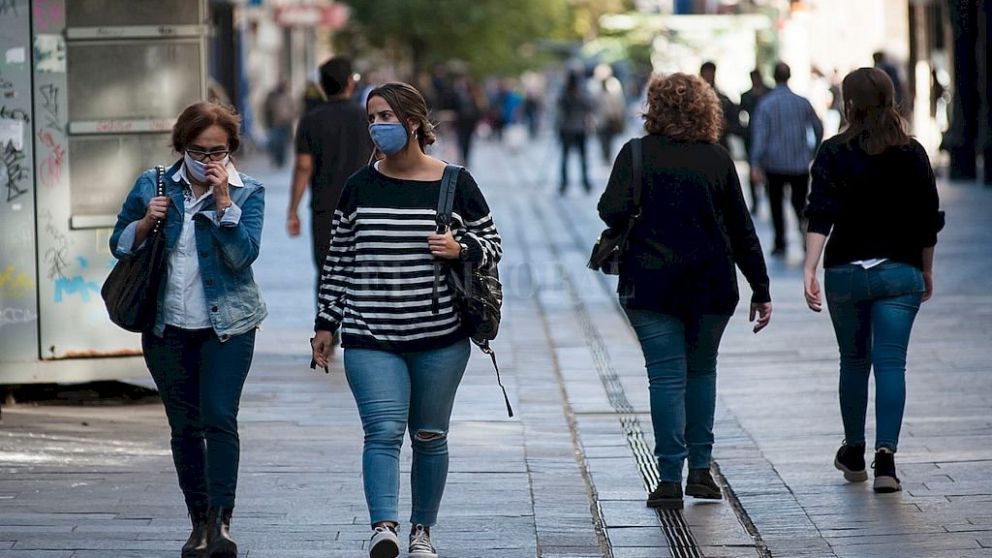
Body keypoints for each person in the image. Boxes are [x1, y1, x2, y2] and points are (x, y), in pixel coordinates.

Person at [310, 82, 502, 558]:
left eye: (385, 117)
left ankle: (422, 531)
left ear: (412, 122)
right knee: (382, 432)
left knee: (430, 436)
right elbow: (339, 259)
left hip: (440, 339)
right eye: (371, 118)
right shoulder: (359, 186)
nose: (376, 126)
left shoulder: (455, 182)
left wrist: (461, 248)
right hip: (371, 334)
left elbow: (493, 246)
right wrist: (325, 323)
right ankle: (384, 527)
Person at [597, 73, 772, 511]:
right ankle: (702, 471)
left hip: (650, 285)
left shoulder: (635, 153)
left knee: (665, 377)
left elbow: (610, 209)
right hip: (711, 285)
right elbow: (742, 228)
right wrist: (761, 287)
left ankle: (669, 479)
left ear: (653, 107)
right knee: (702, 373)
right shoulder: (716, 157)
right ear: (705, 109)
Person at [109, 101, 267, 558]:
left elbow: (242, 257)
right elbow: (119, 245)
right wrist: (144, 222)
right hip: (167, 326)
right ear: (182, 147)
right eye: (198, 150)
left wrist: (222, 205)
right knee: (183, 427)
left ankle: (221, 523)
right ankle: (197, 522)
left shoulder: (247, 192)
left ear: (231, 150)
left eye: (217, 151)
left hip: (230, 326)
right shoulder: (153, 184)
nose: (208, 160)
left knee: (219, 417)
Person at [803, 68, 943, 494]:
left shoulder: (832, 152)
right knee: (890, 364)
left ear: (848, 104)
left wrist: (810, 267)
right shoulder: (912, 153)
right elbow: (927, 219)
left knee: (853, 361)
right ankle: (886, 460)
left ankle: (853, 449)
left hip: (845, 272)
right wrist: (926, 268)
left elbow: (819, 213)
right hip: (900, 272)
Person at [289, 56, 374, 296]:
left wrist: (293, 210)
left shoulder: (310, 119)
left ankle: (328, 329)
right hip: (362, 205)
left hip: (325, 207)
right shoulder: (366, 117)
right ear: (350, 83)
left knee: (327, 270)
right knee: (363, 269)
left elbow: (304, 166)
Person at [750, 62, 824, 256]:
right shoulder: (802, 102)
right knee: (800, 203)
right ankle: (803, 237)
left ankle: (780, 241)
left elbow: (760, 134)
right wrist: (813, 150)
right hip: (799, 162)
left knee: (776, 204)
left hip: (774, 164)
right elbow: (817, 126)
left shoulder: (766, 103)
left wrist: (756, 162)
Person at [739, 68, 769, 214]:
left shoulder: (769, 93)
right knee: (753, 170)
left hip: (767, 137)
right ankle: (756, 202)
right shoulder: (746, 96)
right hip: (752, 136)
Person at [558, 71, 593, 194]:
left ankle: (577, 183)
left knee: (571, 157)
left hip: (573, 129)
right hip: (574, 129)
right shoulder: (568, 93)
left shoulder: (574, 93)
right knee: (575, 157)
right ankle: (573, 182)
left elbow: (589, 106)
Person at [700, 61, 742, 151]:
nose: (708, 77)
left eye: (710, 74)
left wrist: (727, 125)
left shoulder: (724, 100)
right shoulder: (693, 100)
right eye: (706, 74)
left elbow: (736, 125)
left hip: (719, 144)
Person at [594, 64, 627, 163]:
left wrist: (620, 115)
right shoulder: (594, 85)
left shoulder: (614, 84)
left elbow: (620, 102)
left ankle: (608, 156)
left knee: (610, 138)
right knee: (602, 138)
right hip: (599, 118)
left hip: (612, 117)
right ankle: (605, 156)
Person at [262, 80, 297, 168]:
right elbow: (266, 110)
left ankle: (281, 160)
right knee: (276, 143)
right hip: (275, 124)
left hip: (285, 124)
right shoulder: (272, 97)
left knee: (283, 143)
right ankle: (276, 159)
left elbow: (293, 110)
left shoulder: (288, 97)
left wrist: (289, 117)